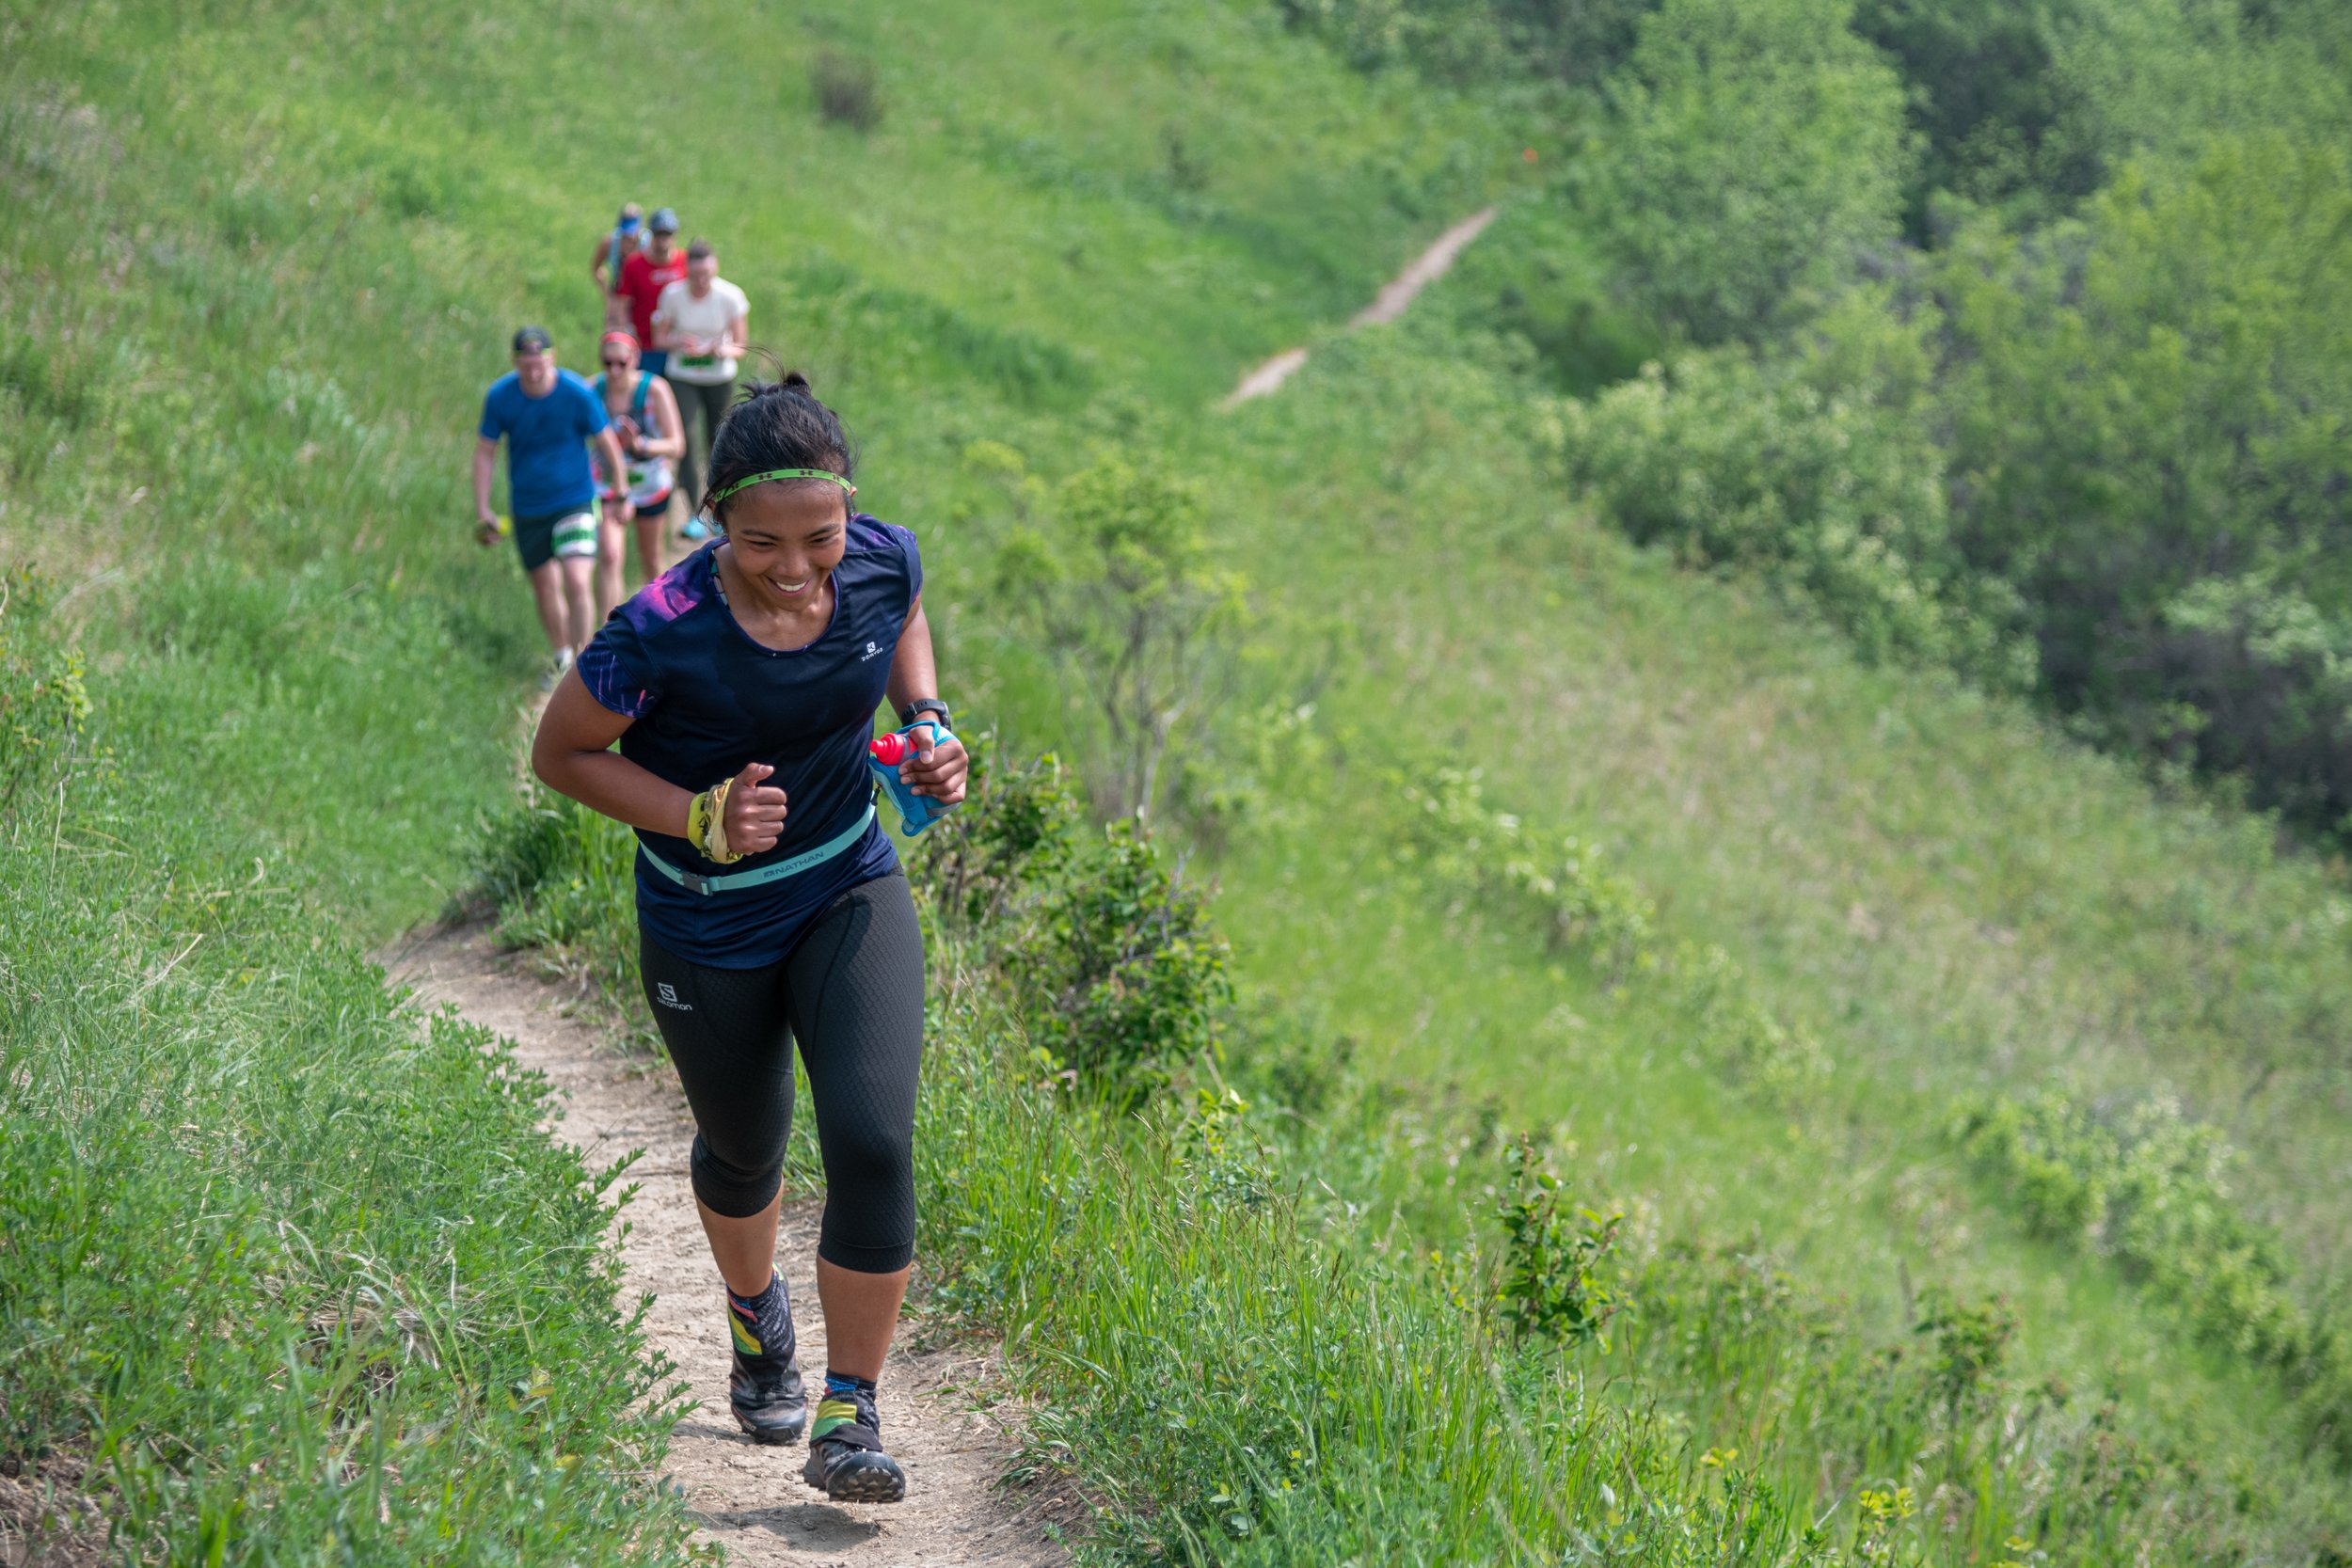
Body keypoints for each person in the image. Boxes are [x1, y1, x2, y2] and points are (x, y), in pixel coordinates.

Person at [530, 374, 966, 1504]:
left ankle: (850, 1410)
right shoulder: (660, 631)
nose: (794, 564)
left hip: (844, 886)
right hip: (704, 919)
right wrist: (695, 813)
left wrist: (925, 721)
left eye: (819, 538)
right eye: (762, 540)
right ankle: (752, 1312)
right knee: (745, 1150)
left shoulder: (877, 557)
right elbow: (562, 752)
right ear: (714, 519)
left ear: (850, 512)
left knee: (871, 1138)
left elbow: (905, 607)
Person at [473, 326, 629, 676]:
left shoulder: (576, 392)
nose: (533, 371)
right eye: (525, 364)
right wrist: (483, 508)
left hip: (574, 499)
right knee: (545, 585)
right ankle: (562, 656)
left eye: (540, 363)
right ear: (515, 362)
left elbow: (607, 443)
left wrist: (620, 492)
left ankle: (585, 660)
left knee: (576, 578)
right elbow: (485, 452)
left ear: (552, 359)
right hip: (528, 506)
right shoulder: (501, 397)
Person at [652, 239, 749, 508]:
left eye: (706, 274)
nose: (701, 281)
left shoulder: (730, 296)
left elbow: (740, 344)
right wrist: (681, 343)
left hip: (718, 375)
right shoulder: (672, 295)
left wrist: (720, 350)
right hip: (683, 374)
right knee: (685, 436)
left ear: (715, 269)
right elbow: (659, 337)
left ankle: (722, 502)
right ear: (687, 272)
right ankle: (694, 505)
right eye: (695, 275)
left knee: (719, 438)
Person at [593, 329, 686, 595]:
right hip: (608, 485)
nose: (614, 371)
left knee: (652, 560)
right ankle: (608, 633)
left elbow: (677, 445)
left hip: (649, 483)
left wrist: (641, 445)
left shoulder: (654, 389)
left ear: (634, 359)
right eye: (607, 363)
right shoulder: (592, 390)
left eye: (621, 363)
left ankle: (659, 624)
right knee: (610, 556)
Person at [616, 207, 688, 378]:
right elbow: (622, 303)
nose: (663, 239)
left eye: (667, 234)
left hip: (676, 343)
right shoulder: (634, 264)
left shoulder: (684, 262)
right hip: (645, 345)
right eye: (659, 234)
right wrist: (626, 334)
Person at [591, 203, 644, 333]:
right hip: (619, 294)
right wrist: (608, 296)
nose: (629, 239)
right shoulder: (610, 243)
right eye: (625, 235)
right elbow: (596, 268)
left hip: (641, 295)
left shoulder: (647, 245)